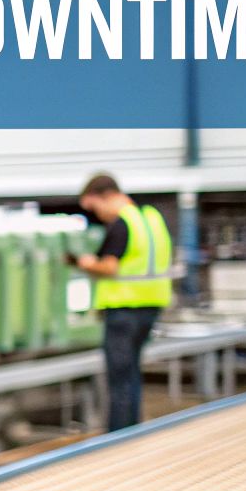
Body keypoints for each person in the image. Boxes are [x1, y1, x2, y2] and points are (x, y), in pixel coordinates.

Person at [74, 173, 173, 431]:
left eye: (95, 208)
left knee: (119, 379)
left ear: (105, 197)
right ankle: (133, 432)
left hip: (124, 310)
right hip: (151, 306)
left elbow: (109, 266)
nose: (97, 215)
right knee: (131, 374)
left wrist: (86, 263)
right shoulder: (151, 219)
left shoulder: (122, 224)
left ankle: (118, 439)